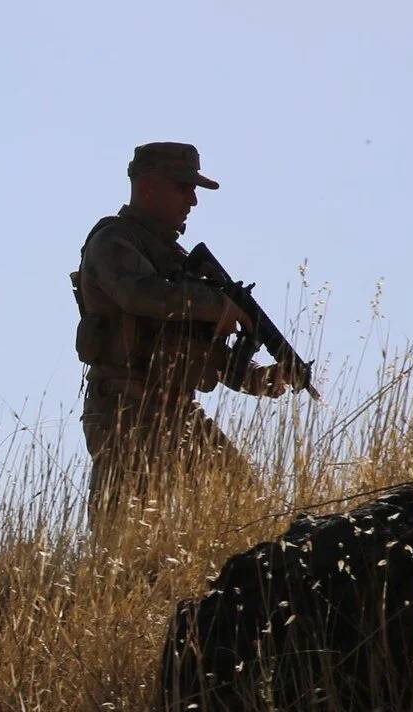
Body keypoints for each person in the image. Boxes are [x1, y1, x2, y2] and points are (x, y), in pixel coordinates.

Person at [72, 142, 289, 527]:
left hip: (177, 413)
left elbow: (195, 348)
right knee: (121, 540)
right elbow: (138, 294)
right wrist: (216, 304)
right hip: (126, 411)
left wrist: (256, 378)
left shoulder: (173, 257)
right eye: (183, 187)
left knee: (249, 506)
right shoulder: (113, 241)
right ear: (148, 187)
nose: (192, 201)